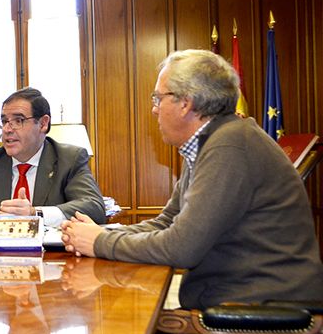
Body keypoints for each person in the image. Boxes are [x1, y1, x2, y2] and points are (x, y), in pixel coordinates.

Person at [60, 49, 323, 311]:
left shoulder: (229, 146)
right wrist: (101, 233)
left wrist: (98, 242)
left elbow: (180, 248)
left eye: (158, 98)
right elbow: (167, 222)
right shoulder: (208, 143)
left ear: (185, 103)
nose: (154, 109)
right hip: (236, 302)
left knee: (124, 330)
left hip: (263, 314)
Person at [0, 87, 105, 237]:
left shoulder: (69, 159)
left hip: (53, 258)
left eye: (18, 121)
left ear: (43, 124)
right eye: (5, 121)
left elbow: (94, 206)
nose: (7, 130)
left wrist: (35, 214)